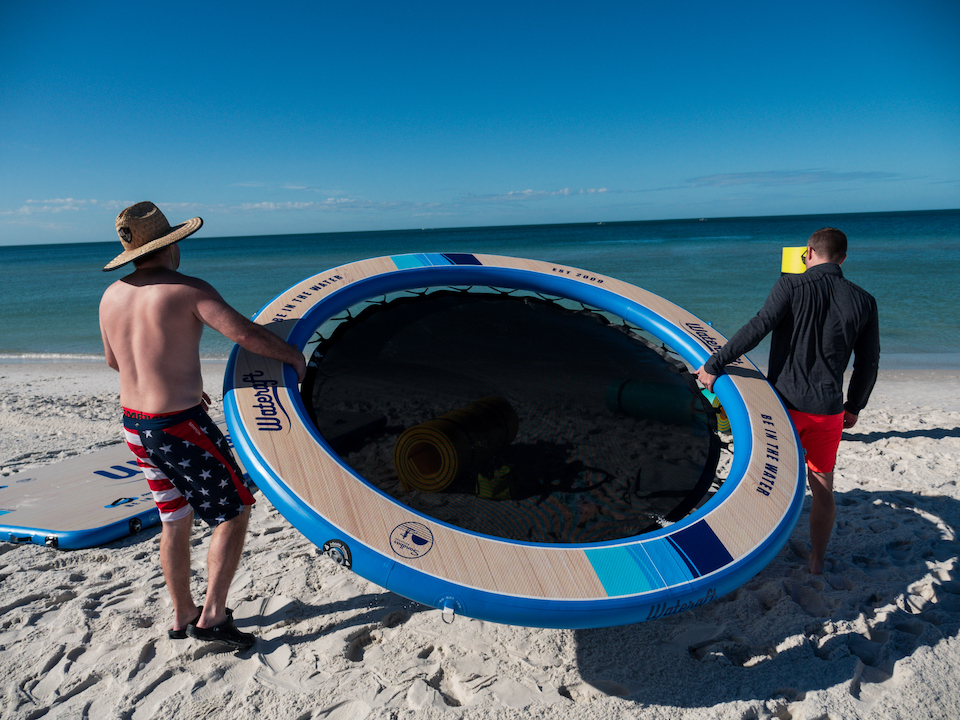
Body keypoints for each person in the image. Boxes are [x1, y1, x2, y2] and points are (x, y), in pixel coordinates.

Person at [99, 201, 307, 650]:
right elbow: (244, 334)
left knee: (174, 519)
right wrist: (292, 356)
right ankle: (212, 618)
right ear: (172, 245)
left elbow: (116, 360)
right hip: (177, 426)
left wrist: (176, 384)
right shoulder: (188, 289)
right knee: (234, 509)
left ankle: (181, 615)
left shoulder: (112, 294)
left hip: (135, 425)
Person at [696, 228, 879, 575]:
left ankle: (743, 552)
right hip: (828, 411)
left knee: (759, 480)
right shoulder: (864, 300)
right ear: (843, 258)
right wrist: (854, 406)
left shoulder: (791, 285)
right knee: (823, 485)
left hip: (783, 410)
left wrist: (714, 364)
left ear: (808, 253)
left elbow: (758, 327)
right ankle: (817, 559)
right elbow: (868, 362)